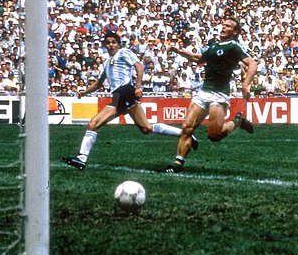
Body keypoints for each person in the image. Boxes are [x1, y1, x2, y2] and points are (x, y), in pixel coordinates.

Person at [63, 32, 197, 170]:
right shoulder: (107, 62)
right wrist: (83, 92)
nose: (111, 45)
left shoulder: (123, 52)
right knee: (145, 128)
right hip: (117, 95)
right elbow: (98, 84)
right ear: (104, 45)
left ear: (118, 44)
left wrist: (138, 86)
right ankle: (81, 159)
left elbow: (140, 66)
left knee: (95, 124)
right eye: (108, 42)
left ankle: (81, 158)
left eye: (114, 42)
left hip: (125, 91)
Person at [165, 17, 258, 173]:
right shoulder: (214, 45)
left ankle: (238, 121)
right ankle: (178, 164)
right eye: (223, 24)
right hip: (203, 92)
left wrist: (245, 84)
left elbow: (252, 64)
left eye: (228, 26)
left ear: (234, 32)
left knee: (214, 135)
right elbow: (199, 59)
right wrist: (179, 51)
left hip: (219, 95)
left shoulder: (233, 46)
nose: (223, 27)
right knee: (187, 128)